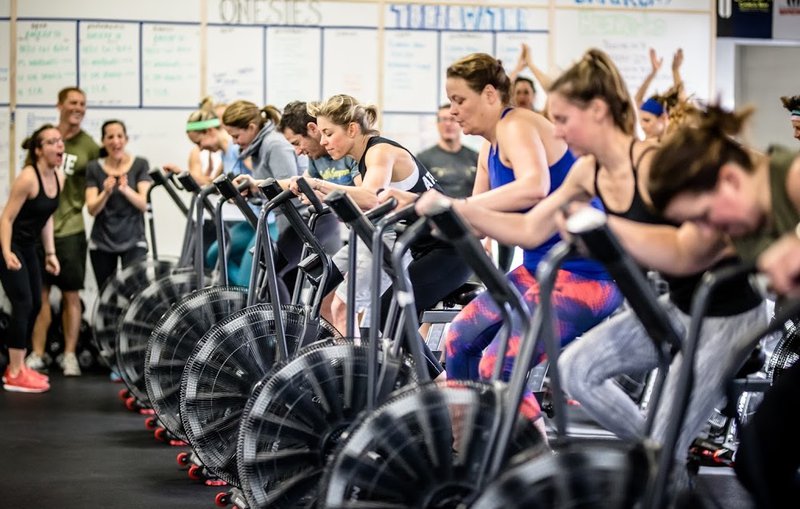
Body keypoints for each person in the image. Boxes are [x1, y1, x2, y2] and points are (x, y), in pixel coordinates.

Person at [405, 52, 624, 440]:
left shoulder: (516, 124)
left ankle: (536, 469)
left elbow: (532, 186)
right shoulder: (489, 150)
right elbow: (474, 218)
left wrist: (456, 207)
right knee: (458, 340)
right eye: (450, 102)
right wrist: (408, 208)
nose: (454, 111)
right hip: (539, 271)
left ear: (490, 94)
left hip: (585, 279)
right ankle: (466, 447)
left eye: (459, 100)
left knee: (497, 366)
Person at [644, 104, 800, 508]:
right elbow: (682, 254)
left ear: (729, 179)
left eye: (705, 215)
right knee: (757, 462)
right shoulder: (739, 217)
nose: (709, 230)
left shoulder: (792, 177)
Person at [300, 94, 468, 336]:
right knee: (367, 310)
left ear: (351, 129)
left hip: (451, 251)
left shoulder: (379, 151)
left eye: (328, 133)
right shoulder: (362, 161)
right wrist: (319, 193)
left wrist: (318, 184)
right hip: (422, 248)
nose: (323, 141)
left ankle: (434, 375)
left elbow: (371, 198)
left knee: (386, 314)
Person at [28, 87, 100, 377]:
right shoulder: (44, 140)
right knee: (40, 294)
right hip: (39, 227)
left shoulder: (90, 147)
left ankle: (69, 355)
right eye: (73, 102)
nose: (78, 108)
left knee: (71, 295)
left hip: (70, 229)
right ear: (59, 105)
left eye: (82, 103)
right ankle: (38, 353)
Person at [1, 125, 64, 392]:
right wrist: (6, 252)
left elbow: (46, 216)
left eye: (60, 141)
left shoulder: (59, 175)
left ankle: (20, 364)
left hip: (29, 246)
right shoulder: (28, 177)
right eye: (52, 142)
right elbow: (6, 218)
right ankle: (14, 372)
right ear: (39, 150)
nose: (59, 146)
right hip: (9, 244)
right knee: (23, 304)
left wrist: (50, 253)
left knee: (37, 304)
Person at [223, 100, 304, 302]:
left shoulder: (273, 144)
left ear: (251, 127)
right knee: (275, 277)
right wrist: (253, 193)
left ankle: (285, 328)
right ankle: (285, 327)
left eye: (236, 136)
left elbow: (289, 189)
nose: (234, 142)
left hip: (298, 222)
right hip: (285, 221)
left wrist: (256, 189)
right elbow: (272, 189)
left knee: (268, 273)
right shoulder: (261, 147)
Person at [278, 99, 361, 257]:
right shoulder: (316, 159)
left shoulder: (351, 153)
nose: (297, 152)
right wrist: (259, 185)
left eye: (328, 133)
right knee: (329, 277)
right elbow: (301, 183)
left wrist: (320, 190)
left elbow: (367, 198)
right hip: (356, 232)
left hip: (376, 232)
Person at [85, 120, 153, 291]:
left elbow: (144, 204)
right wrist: (105, 193)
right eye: (110, 137)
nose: (115, 141)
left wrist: (125, 189)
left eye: (119, 136)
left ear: (126, 139)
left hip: (134, 239)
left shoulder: (140, 164)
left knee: (137, 291)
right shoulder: (94, 168)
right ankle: (109, 320)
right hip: (102, 242)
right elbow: (92, 209)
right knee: (107, 294)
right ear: (103, 141)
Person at [415, 103, 478, 200]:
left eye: (453, 119)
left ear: (461, 123)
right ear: (437, 124)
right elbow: (418, 195)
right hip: (436, 213)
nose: (448, 124)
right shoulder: (423, 159)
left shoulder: (476, 157)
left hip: (469, 211)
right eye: (443, 119)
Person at [634, 48, 684, 141]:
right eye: (641, 120)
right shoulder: (642, 144)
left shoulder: (673, 144)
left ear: (664, 118)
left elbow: (682, 101)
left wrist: (675, 70)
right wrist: (653, 72)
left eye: (646, 120)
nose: (642, 126)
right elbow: (637, 100)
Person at [508, 43, 553, 112]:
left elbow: (552, 89)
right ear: (512, 96)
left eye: (526, 92)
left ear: (534, 96)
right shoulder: (505, 117)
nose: (522, 97)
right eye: (518, 92)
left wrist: (531, 65)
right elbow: (500, 90)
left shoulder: (541, 117)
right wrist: (517, 69)